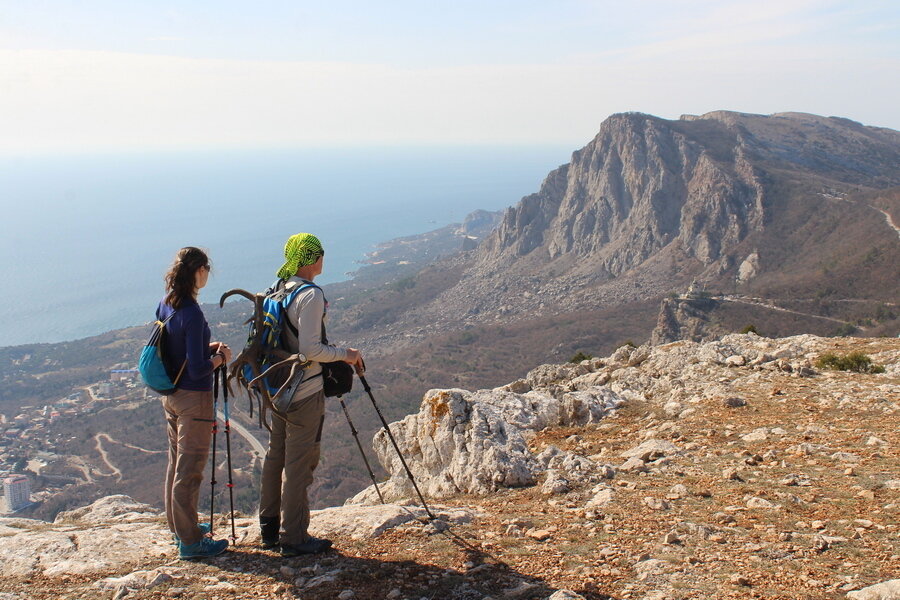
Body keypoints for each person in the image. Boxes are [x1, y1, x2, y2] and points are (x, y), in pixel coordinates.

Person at [258, 233, 364, 556]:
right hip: (303, 391)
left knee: (275, 456)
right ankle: (294, 537)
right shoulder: (310, 295)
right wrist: (346, 354)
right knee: (300, 464)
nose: (323, 260)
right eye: (320, 254)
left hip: (276, 389)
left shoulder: (276, 289)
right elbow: (310, 349)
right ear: (311, 259)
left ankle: (269, 529)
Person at [157, 247, 233, 559]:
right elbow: (200, 367)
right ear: (198, 271)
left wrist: (204, 347)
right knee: (189, 471)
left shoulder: (167, 304)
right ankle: (191, 543)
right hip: (194, 401)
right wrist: (220, 357)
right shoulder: (193, 313)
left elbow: (175, 347)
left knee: (175, 465)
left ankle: (180, 527)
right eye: (206, 270)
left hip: (171, 395)